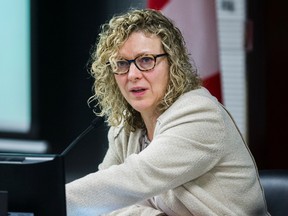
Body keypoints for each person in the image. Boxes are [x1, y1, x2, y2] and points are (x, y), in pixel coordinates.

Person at [66, 8, 270, 216]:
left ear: (172, 63)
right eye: (121, 63)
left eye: (146, 60)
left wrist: (50, 198)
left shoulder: (200, 114)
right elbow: (104, 202)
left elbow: (136, 178)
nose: (133, 74)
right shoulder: (125, 127)